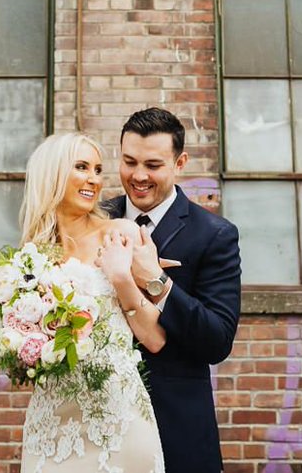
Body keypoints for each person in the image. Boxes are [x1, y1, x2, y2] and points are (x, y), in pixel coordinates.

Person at [104, 107, 243, 473]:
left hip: (174, 429)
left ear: (180, 162)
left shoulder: (215, 235)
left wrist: (157, 281)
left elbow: (217, 341)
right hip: (96, 425)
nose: (138, 176)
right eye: (129, 161)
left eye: (153, 165)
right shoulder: (93, 220)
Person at [17, 132, 166, 473]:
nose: (94, 179)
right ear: (52, 174)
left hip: (117, 415)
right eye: (82, 167)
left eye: (98, 170)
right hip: (51, 418)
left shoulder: (121, 233)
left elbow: (155, 338)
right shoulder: (31, 255)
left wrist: (121, 278)